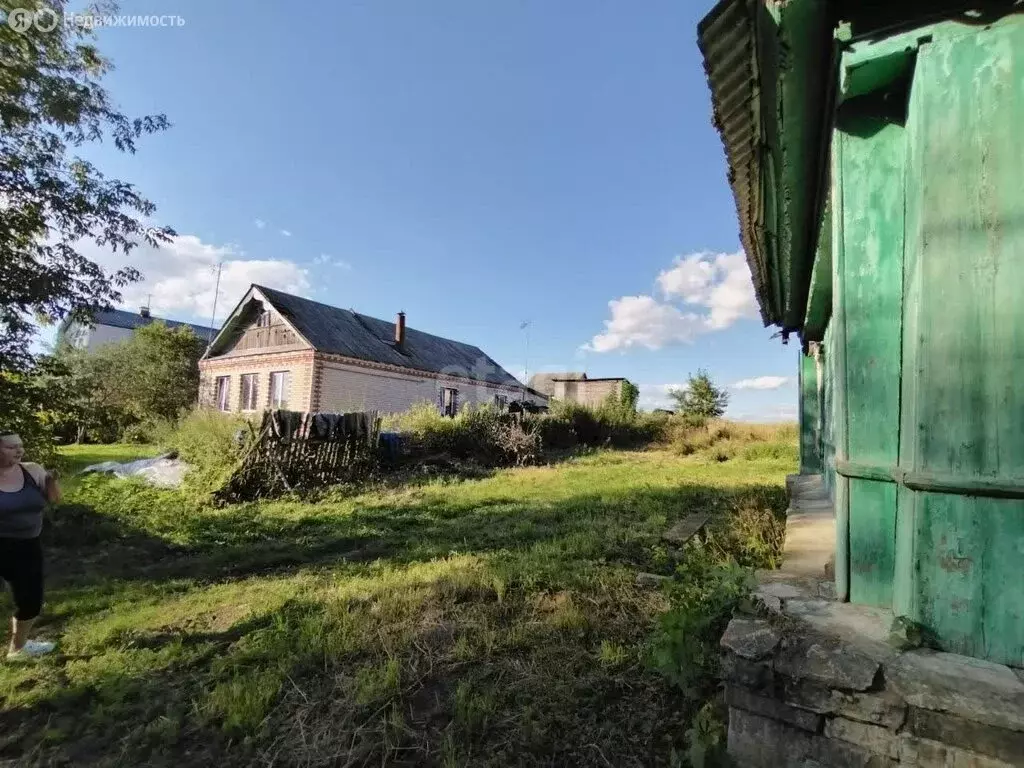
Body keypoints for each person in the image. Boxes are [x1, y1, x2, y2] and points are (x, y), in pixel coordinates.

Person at [0, 431, 61, 660]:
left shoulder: (32, 470)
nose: (19, 450)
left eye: (20, 446)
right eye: (11, 447)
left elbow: (54, 499)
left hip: (27, 546)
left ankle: (18, 649)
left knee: (30, 601)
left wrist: (52, 482)